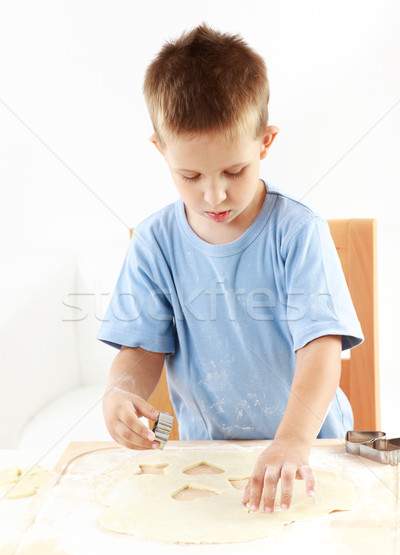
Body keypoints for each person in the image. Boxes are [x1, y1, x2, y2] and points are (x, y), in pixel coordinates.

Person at [97, 23, 363, 513]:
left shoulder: (298, 232)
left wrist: (291, 443)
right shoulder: (155, 242)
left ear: (265, 142)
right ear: (161, 151)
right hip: (208, 459)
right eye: (191, 175)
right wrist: (119, 395)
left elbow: (322, 349)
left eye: (234, 171)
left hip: (309, 453)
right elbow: (139, 351)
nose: (214, 195)